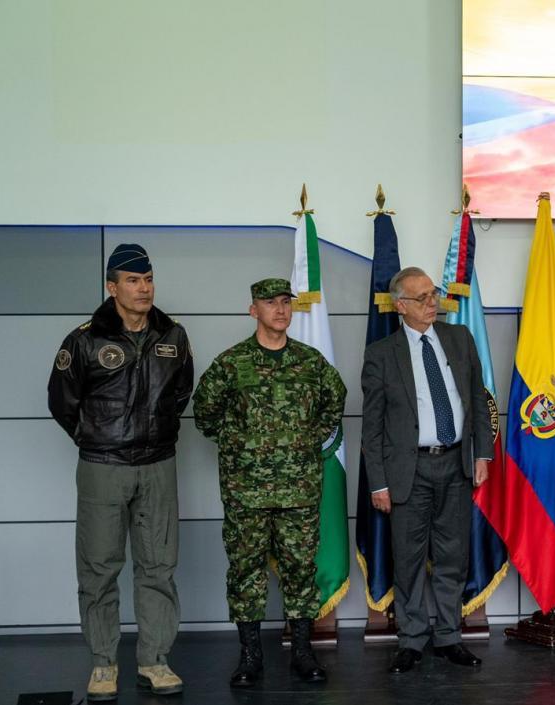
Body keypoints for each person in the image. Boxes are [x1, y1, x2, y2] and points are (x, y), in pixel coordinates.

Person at [48, 243, 194, 701]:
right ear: (112, 287)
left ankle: (155, 660)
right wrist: (97, 438)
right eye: (133, 281)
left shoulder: (173, 335)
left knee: (158, 567)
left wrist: (154, 434)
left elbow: (180, 394)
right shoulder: (84, 340)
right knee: (98, 568)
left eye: (148, 279)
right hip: (103, 469)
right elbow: (62, 403)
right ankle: (103, 664)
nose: (144, 288)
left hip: (157, 467)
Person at [193, 278, 346, 687]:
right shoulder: (232, 363)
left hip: (299, 490)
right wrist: (240, 445)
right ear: (253, 310)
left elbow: (335, 400)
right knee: (245, 571)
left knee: (300, 569)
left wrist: (307, 439)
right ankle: (250, 657)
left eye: (285, 302)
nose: (280, 309)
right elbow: (205, 413)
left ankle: (302, 652)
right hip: (247, 493)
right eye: (270, 303)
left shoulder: (311, 363)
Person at [361, 267, 492, 674]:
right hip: (409, 470)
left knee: (454, 556)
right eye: (421, 298)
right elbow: (373, 425)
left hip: (455, 463)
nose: (432, 302)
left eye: (433, 294)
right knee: (410, 558)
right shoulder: (382, 353)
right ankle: (413, 640)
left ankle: (449, 636)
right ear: (401, 306)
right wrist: (378, 481)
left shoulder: (459, 338)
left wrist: (482, 455)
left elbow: (477, 399)